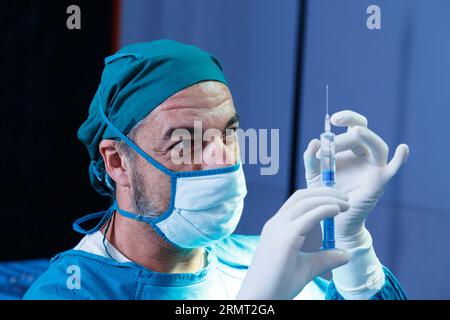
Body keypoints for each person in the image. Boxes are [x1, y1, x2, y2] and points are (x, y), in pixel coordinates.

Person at [24, 40, 409, 300]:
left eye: (229, 133)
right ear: (117, 162)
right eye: (186, 143)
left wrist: (354, 251)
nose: (222, 158)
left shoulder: (259, 260)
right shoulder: (71, 291)